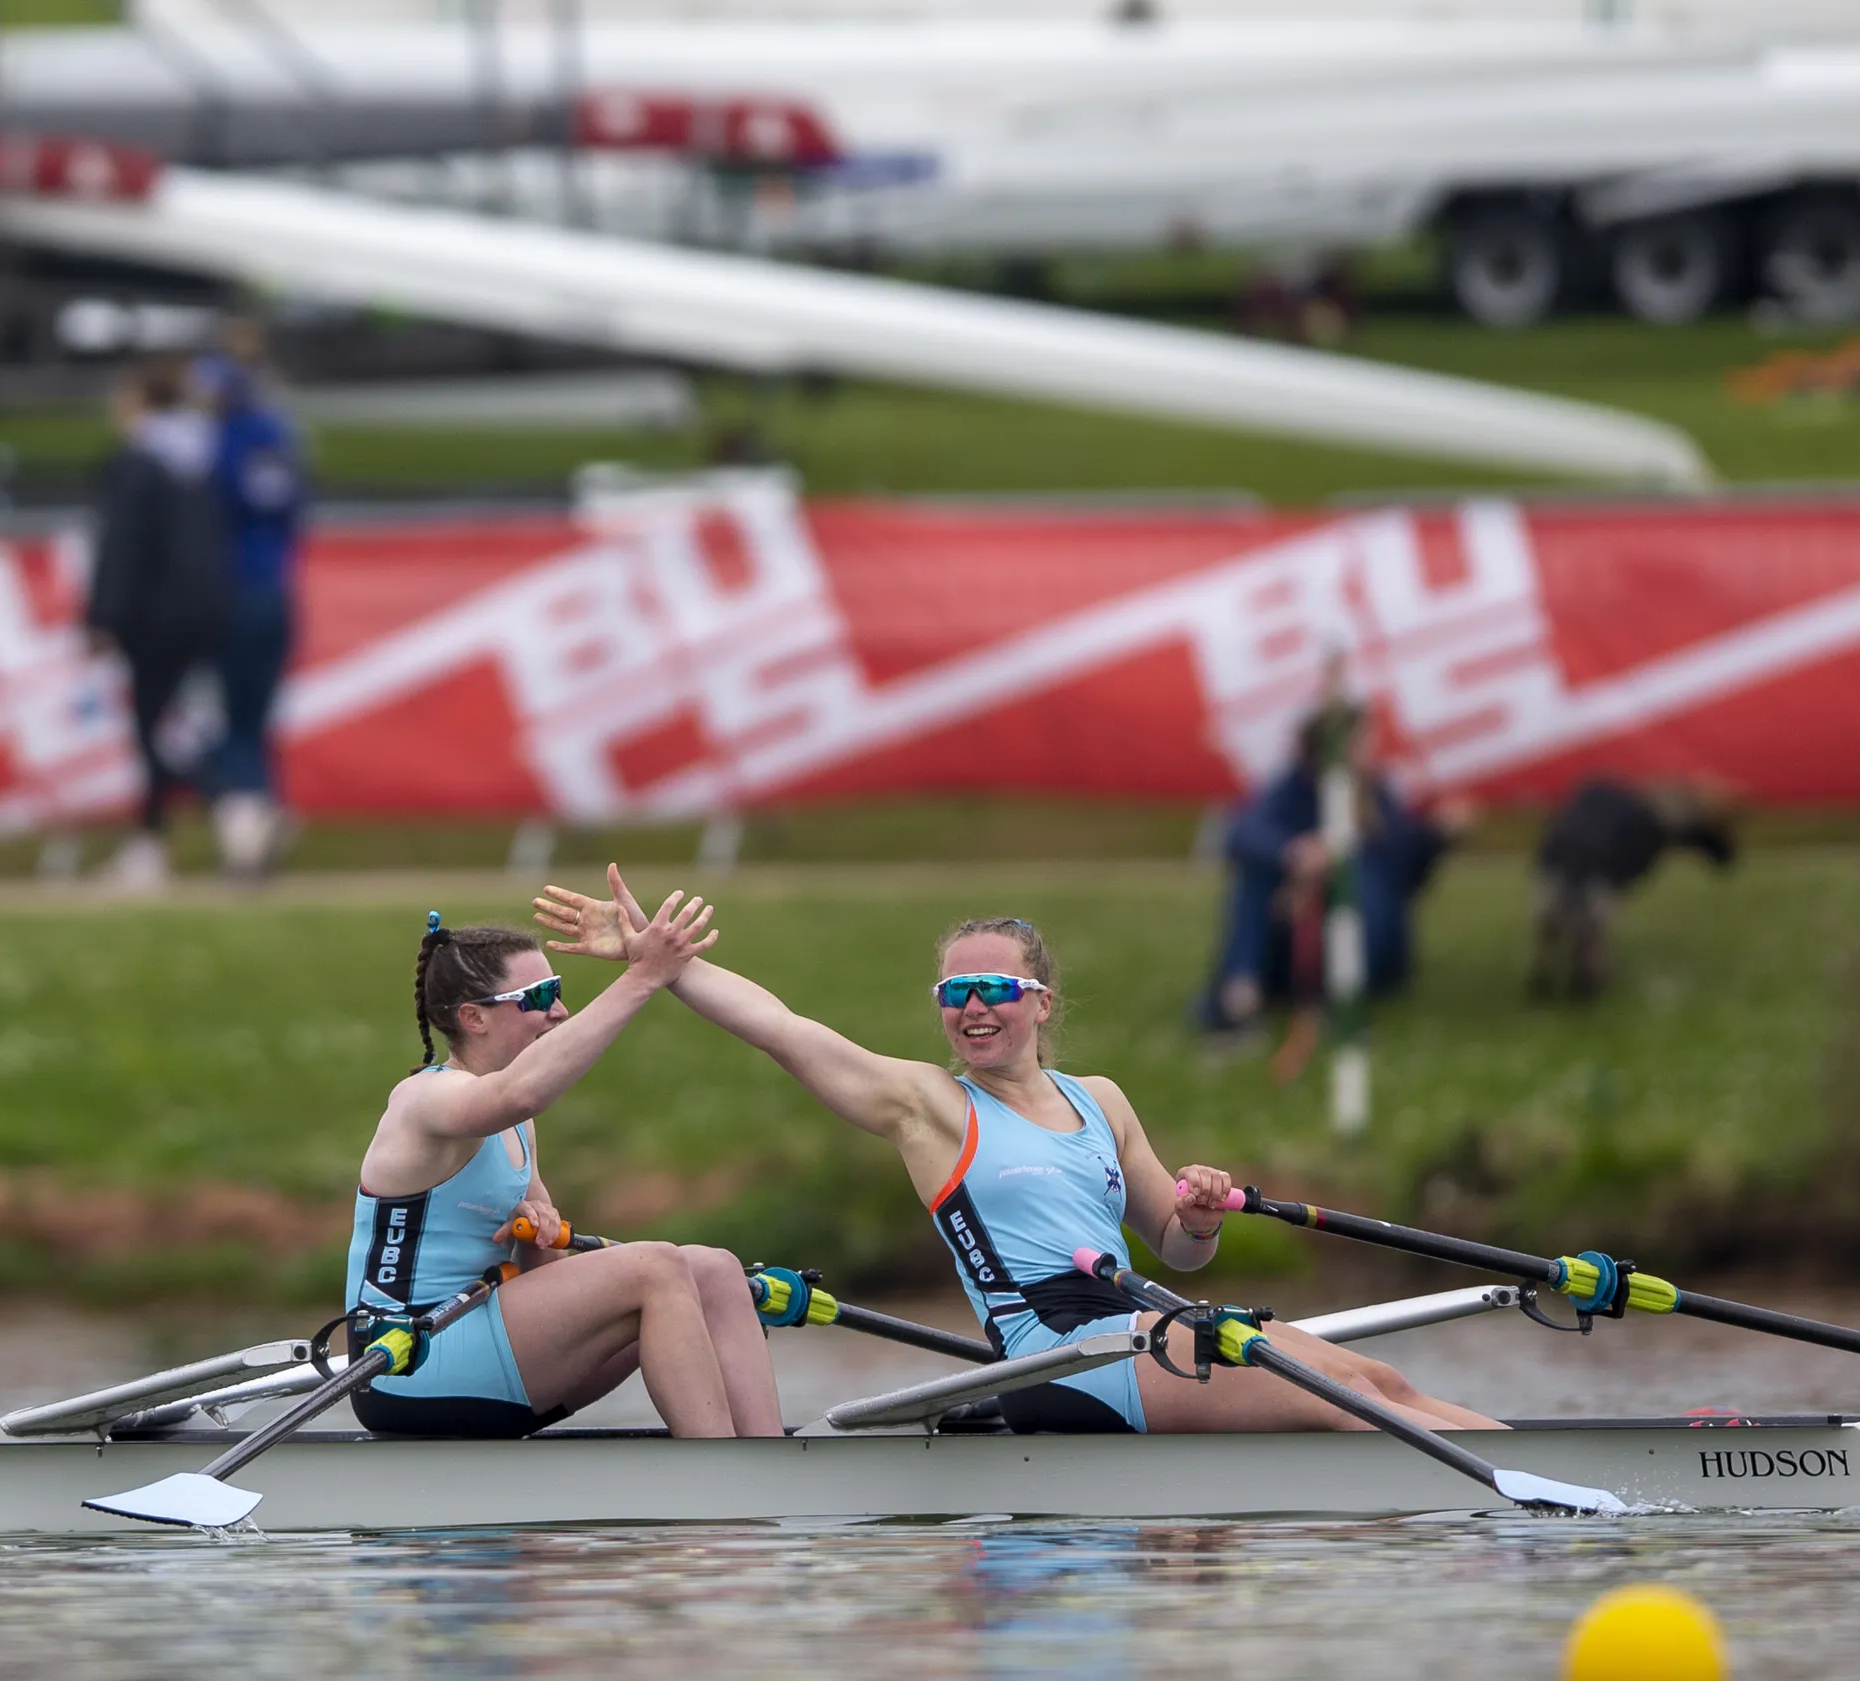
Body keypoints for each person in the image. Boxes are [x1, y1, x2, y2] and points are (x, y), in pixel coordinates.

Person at [535, 868, 1503, 1438]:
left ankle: (1522, 1451)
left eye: (995, 990)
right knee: (1340, 1395)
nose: (974, 1009)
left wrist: (1199, 1215)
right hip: (1052, 1363)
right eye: (954, 996)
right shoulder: (926, 1107)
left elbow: (1179, 1246)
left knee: (1378, 1382)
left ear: (1040, 1003)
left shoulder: (1102, 1102)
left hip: (1145, 1322)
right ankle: (1542, 1493)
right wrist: (659, 965)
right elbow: (783, 1030)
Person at [347, 902, 783, 1440]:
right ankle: (719, 1483)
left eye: (556, 990)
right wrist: (643, 977)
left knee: (713, 1270)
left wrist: (539, 1237)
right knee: (655, 1267)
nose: (559, 1011)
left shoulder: (516, 1124)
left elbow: (547, 1274)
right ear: (474, 1018)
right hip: (407, 1366)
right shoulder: (425, 1100)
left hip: (485, 1348)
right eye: (538, 998)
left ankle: (764, 1458)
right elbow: (522, 1091)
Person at [1193, 706, 1465, 1035]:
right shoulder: (1293, 787)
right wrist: (1296, 854)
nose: (1372, 750)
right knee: (1257, 876)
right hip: (1292, 938)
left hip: (1369, 946)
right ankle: (1240, 994)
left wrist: (1438, 836)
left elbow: (1405, 873)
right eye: (1363, 741)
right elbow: (1243, 832)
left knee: (1358, 876)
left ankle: (1322, 995)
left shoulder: (1377, 795)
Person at [81, 361, 230, 890]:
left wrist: (103, 619)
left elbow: (122, 546)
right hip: (208, 608)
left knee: (154, 726)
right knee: (189, 721)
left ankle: (171, 833)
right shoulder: (205, 454)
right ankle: (235, 810)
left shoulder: (139, 460)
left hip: (153, 616)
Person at [193, 324, 307, 880]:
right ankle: (262, 812)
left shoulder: (224, 439)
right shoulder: (278, 434)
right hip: (277, 587)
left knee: (229, 718)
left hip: (233, 589)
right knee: (254, 716)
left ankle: (247, 829)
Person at [1529, 777, 1736, 1000]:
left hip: (1564, 860)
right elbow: (1697, 837)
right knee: (1584, 925)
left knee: (1558, 920)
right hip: (1592, 865)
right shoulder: (1647, 818)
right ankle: (1578, 974)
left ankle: (1552, 971)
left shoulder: (1603, 801)